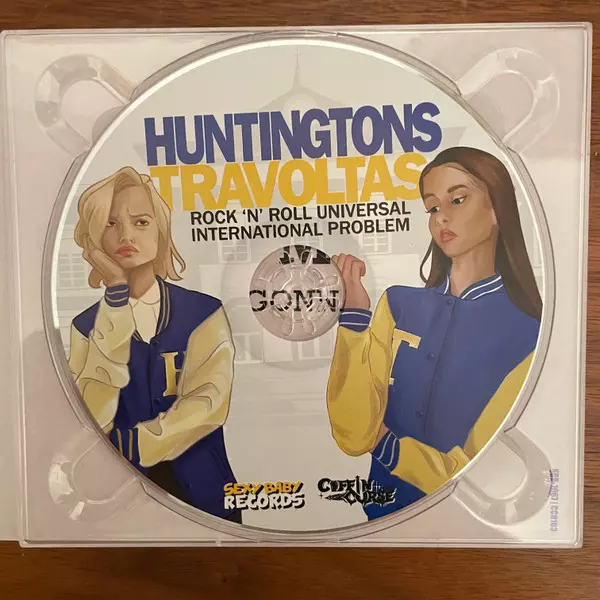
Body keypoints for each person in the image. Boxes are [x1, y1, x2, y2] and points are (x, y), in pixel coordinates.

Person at [326, 147, 542, 520]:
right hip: (379, 517)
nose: (441, 216)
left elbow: (473, 466)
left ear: (497, 209)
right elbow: (352, 433)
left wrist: (385, 445)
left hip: (471, 521)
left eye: (457, 200)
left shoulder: (528, 332)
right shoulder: (397, 304)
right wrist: (355, 315)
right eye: (431, 207)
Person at [68, 166, 240, 522]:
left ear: (161, 229)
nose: (126, 235)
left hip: (207, 497)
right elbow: (91, 414)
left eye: (141, 222)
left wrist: (138, 443)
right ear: (94, 239)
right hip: (120, 501)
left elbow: (209, 401)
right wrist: (115, 301)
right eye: (110, 224)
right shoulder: (85, 327)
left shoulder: (204, 312)